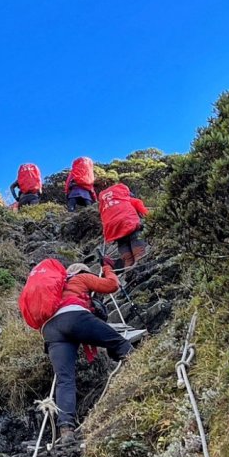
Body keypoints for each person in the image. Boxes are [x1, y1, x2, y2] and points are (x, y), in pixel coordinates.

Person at [41, 262, 131, 441]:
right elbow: (112, 285)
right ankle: (140, 369)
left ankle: (66, 429)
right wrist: (107, 269)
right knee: (119, 343)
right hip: (74, 316)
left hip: (50, 329)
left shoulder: (54, 288)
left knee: (65, 380)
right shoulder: (81, 277)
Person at [98, 179, 149, 268]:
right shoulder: (127, 199)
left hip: (114, 230)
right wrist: (150, 218)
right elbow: (139, 204)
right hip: (129, 224)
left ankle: (128, 272)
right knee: (139, 254)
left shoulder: (104, 203)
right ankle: (139, 269)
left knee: (127, 259)